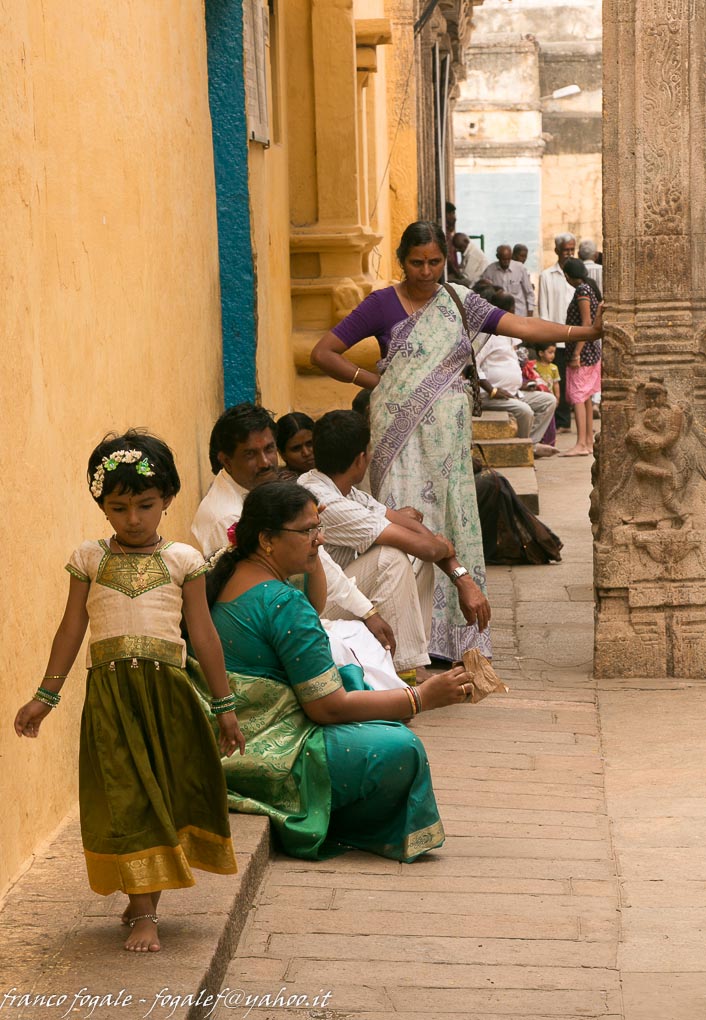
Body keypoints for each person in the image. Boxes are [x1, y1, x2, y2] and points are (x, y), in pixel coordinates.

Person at [310, 220, 602, 661]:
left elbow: (521, 326)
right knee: (402, 528)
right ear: (401, 261)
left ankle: (449, 640)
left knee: (452, 521)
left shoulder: (458, 301)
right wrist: (376, 382)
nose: (426, 272)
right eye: (416, 263)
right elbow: (323, 352)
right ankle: (401, 643)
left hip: (448, 441)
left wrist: (586, 333)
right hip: (397, 438)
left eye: (434, 262)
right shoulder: (381, 304)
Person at [14, 431, 244, 954]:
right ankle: (143, 906)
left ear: (167, 500)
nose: (133, 519)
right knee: (127, 797)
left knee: (158, 794)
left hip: (168, 697)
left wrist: (224, 706)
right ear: (102, 504)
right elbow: (71, 628)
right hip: (111, 700)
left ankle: (145, 903)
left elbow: (203, 634)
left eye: (145, 505)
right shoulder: (89, 558)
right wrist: (45, 697)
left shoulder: (185, 559)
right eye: (118, 508)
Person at [198, 482, 478, 862]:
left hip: (237, 731)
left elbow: (315, 603)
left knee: (355, 681)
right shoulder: (282, 603)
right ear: (266, 540)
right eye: (307, 531)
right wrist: (422, 698)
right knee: (403, 748)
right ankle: (333, 818)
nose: (320, 538)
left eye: (319, 528)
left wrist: (312, 547)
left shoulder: (237, 569)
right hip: (262, 744)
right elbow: (326, 708)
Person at [192, 403, 400, 686]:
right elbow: (257, 601)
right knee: (353, 655)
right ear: (226, 461)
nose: (265, 462)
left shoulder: (261, 493)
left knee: (363, 640)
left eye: (269, 449)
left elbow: (320, 563)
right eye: (251, 454)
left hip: (290, 605)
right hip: (263, 631)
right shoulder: (227, 516)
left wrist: (368, 611)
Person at [300, 410, 489, 671]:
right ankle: (403, 670)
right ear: (361, 459)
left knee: (413, 557)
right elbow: (426, 545)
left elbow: (415, 531)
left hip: (340, 593)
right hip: (314, 608)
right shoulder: (325, 500)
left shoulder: (344, 491)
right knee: (391, 557)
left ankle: (413, 663)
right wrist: (440, 547)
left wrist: (461, 576)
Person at [477, 292, 558, 457]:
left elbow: (511, 364)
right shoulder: (486, 336)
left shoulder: (509, 334)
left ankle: (529, 445)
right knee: (525, 411)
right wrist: (492, 390)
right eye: (512, 311)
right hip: (491, 395)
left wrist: (522, 383)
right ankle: (523, 450)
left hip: (514, 392)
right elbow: (473, 365)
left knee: (549, 400)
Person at [562, 257, 603, 457]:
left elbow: (586, 323)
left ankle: (581, 442)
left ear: (568, 276)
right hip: (591, 350)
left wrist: (576, 352)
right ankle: (587, 441)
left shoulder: (582, 291)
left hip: (583, 351)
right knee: (585, 396)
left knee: (578, 396)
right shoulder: (589, 288)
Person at [538, 232, 577, 431]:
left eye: (572, 250)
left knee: (576, 379)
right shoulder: (547, 276)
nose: (569, 253)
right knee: (557, 378)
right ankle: (562, 421)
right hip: (557, 336)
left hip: (576, 335)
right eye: (565, 250)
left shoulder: (578, 273)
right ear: (557, 251)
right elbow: (543, 307)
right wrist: (547, 337)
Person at [482, 244, 535, 317]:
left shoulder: (520, 268)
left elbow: (529, 293)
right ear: (498, 257)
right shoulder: (490, 270)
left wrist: (530, 315)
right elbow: (485, 293)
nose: (506, 262)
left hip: (519, 314)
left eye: (508, 259)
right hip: (499, 315)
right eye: (504, 259)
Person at [534, 344, 561, 446]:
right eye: (550, 352)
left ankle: (549, 442)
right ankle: (538, 441)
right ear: (541, 353)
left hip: (550, 397)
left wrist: (557, 397)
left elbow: (556, 384)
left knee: (550, 421)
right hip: (539, 397)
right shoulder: (534, 366)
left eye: (554, 352)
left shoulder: (554, 368)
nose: (553, 355)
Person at [276, 411, 315, 479]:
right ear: (282, 454)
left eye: (310, 444)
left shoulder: (332, 470)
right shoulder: (280, 483)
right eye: (296, 448)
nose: (306, 453)